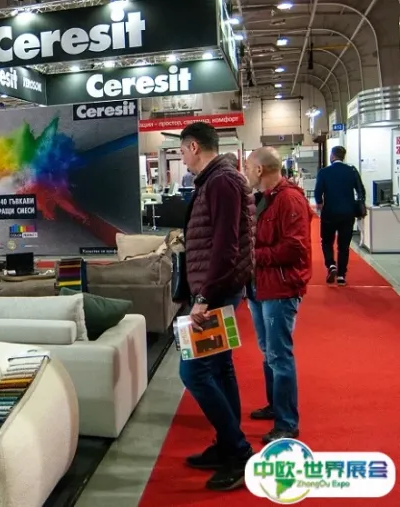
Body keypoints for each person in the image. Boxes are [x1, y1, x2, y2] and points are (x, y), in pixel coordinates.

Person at [178, 122, 255, 491]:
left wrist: (203, 297)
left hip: (217, 292)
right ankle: (227, 444)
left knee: (193, 372)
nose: (182, 159)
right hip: (220, 288)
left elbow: (225, 246)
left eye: (182, 151)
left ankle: (239, 452)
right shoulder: (216, 180)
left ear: (194, 146)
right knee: (221, 368)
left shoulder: (221, 181)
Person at [244, 147, 312, 443]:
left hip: (280, 289)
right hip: (260, 286)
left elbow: (294, 248)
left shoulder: (289, 199)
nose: (245, 172)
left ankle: (287, 423)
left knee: (278, 355)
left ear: (259, 170)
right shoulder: (264, 199)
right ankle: (275, 406)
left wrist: (252, 256)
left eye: (248, 167)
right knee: (268, 352)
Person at [314, 146, 366, 286]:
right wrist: (360, 206)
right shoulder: (351, 171)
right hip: (348, 214)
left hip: (329, 213)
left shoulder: (324, 172)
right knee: (344, 245)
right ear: (343, 156)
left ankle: (331, 265)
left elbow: (318, 191)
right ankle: (342, 275)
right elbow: (361, 190)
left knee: (327, 241)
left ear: (332, 155)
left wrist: (319, 203)